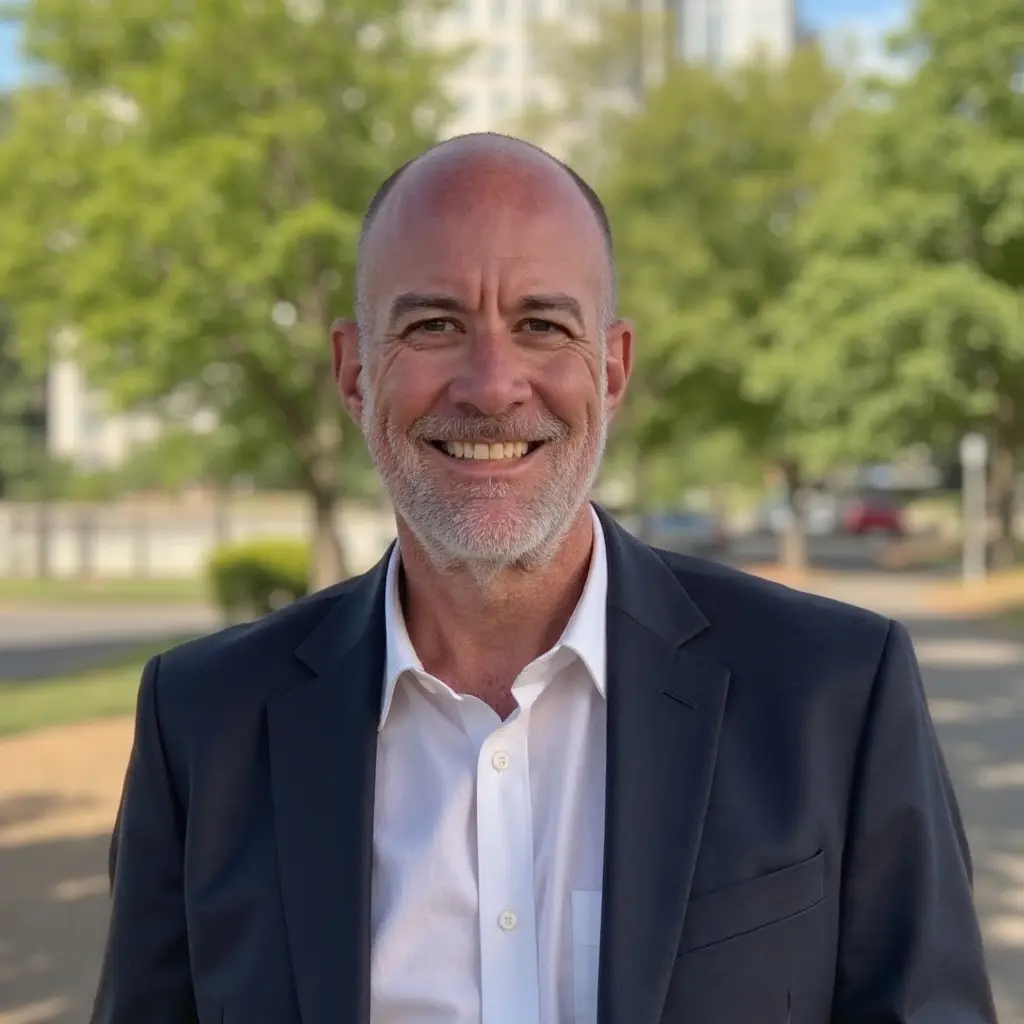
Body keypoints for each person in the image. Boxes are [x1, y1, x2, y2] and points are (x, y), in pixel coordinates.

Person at [91, 133, 997, 1024]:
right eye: (434, 325)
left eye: (542, 326)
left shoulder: (835, 692)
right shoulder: (204, 723)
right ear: (355, 372)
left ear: (613, 369)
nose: (492, 387)